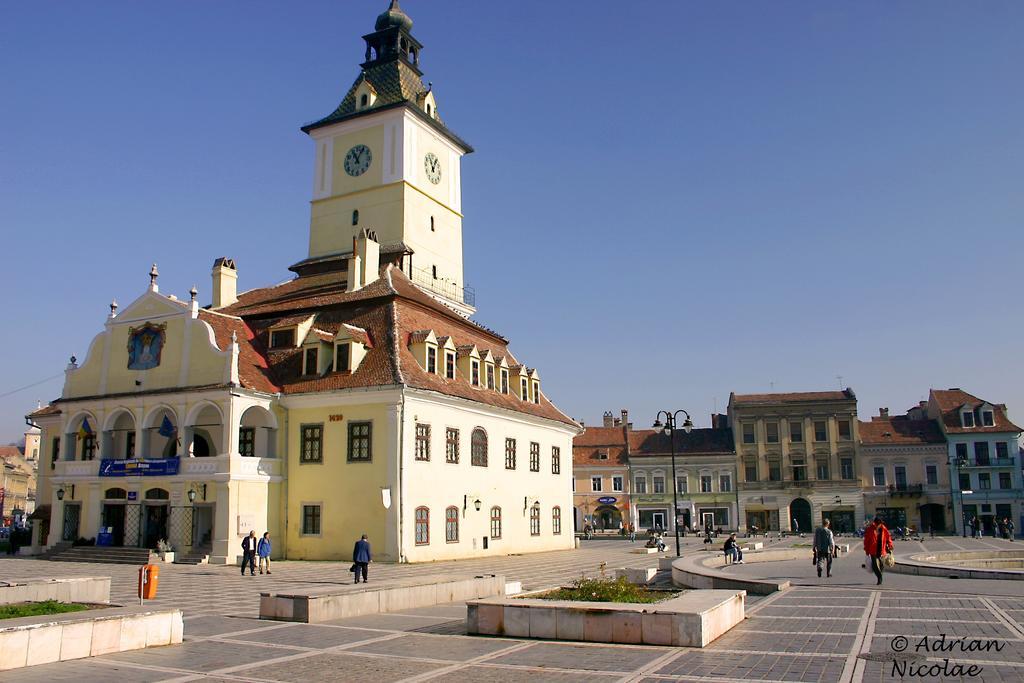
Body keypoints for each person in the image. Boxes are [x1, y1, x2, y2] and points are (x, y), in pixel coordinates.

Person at [863, 516, 893, 585]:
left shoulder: (883, 528)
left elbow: (888, 537)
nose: (880, 524)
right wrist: (866, 550)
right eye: (879, 523)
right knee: (875, 565)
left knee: (881, 564)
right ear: (876, 523)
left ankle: (880, 575)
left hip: (881, 549)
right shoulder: (870, 529)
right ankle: (879, 577)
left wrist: (890, 545)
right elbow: (866, 541)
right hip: (873, 550)